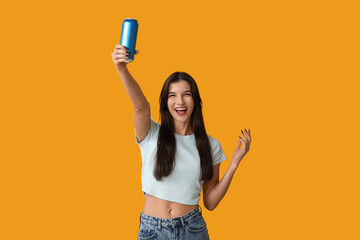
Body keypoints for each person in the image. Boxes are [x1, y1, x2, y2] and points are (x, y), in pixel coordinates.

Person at [111, 44, 252, 240]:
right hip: (153, 231)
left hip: (193, 229)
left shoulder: (211, 146)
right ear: (165, 103)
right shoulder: (151, 133)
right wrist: (122, 68)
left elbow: (210, 202)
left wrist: (235, 163)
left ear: (195, 101)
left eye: (186, 94)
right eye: (172, 95)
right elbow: (140, 106)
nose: (180, 102)